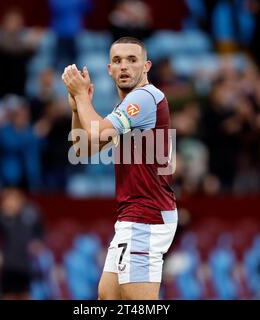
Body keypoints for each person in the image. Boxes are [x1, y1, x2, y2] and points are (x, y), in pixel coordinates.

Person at [61, 36, 178, 300]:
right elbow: (83, 149)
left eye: (132, 60)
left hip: (146, 216)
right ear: (109, 69)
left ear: (146, 66)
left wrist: (82, 97)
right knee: (107, 297)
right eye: (117, 60)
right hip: (133, 215)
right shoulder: (126, 106)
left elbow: (96, 132)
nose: (124, 66)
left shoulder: (146, 97)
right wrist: (76, 109)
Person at [0, 187, 44, 299]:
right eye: (8, 200)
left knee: (25, 294)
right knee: (8, 295)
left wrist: (38, 244)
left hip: (25, 265)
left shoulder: (31, 214)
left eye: (14, 199)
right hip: (7, 265)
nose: (11, 203)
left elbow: (40, 233)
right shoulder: (1, 216)